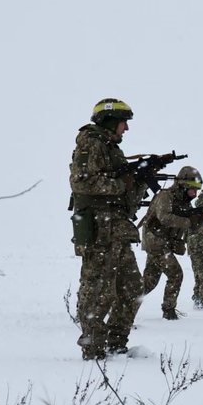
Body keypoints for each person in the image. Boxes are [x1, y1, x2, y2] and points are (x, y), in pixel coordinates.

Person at [68, 98, 147, 360]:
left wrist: (141, 180)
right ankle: (93, 346)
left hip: (118, 231)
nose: (126, 129)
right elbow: (82, 183)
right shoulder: (90, 143)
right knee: (98, 291)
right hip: (100, 232)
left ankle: (116, 341)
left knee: (133, 288)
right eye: (124, 122)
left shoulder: (111, 148)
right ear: (111, 121)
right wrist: (123, 183)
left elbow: (125, 198)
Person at [140, 166, 203, 319]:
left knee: (148, 282)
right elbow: (165, 218)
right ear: (183, 185)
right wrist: (189, 222)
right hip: (156, 242)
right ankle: (168, 311)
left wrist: (201, 220)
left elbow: (190, 228)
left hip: (161, 243)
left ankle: (122, 308)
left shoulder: (185, 204)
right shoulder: (166, 196)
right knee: (176, 274)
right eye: (193, 189)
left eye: (197, 190)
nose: (195, 194)